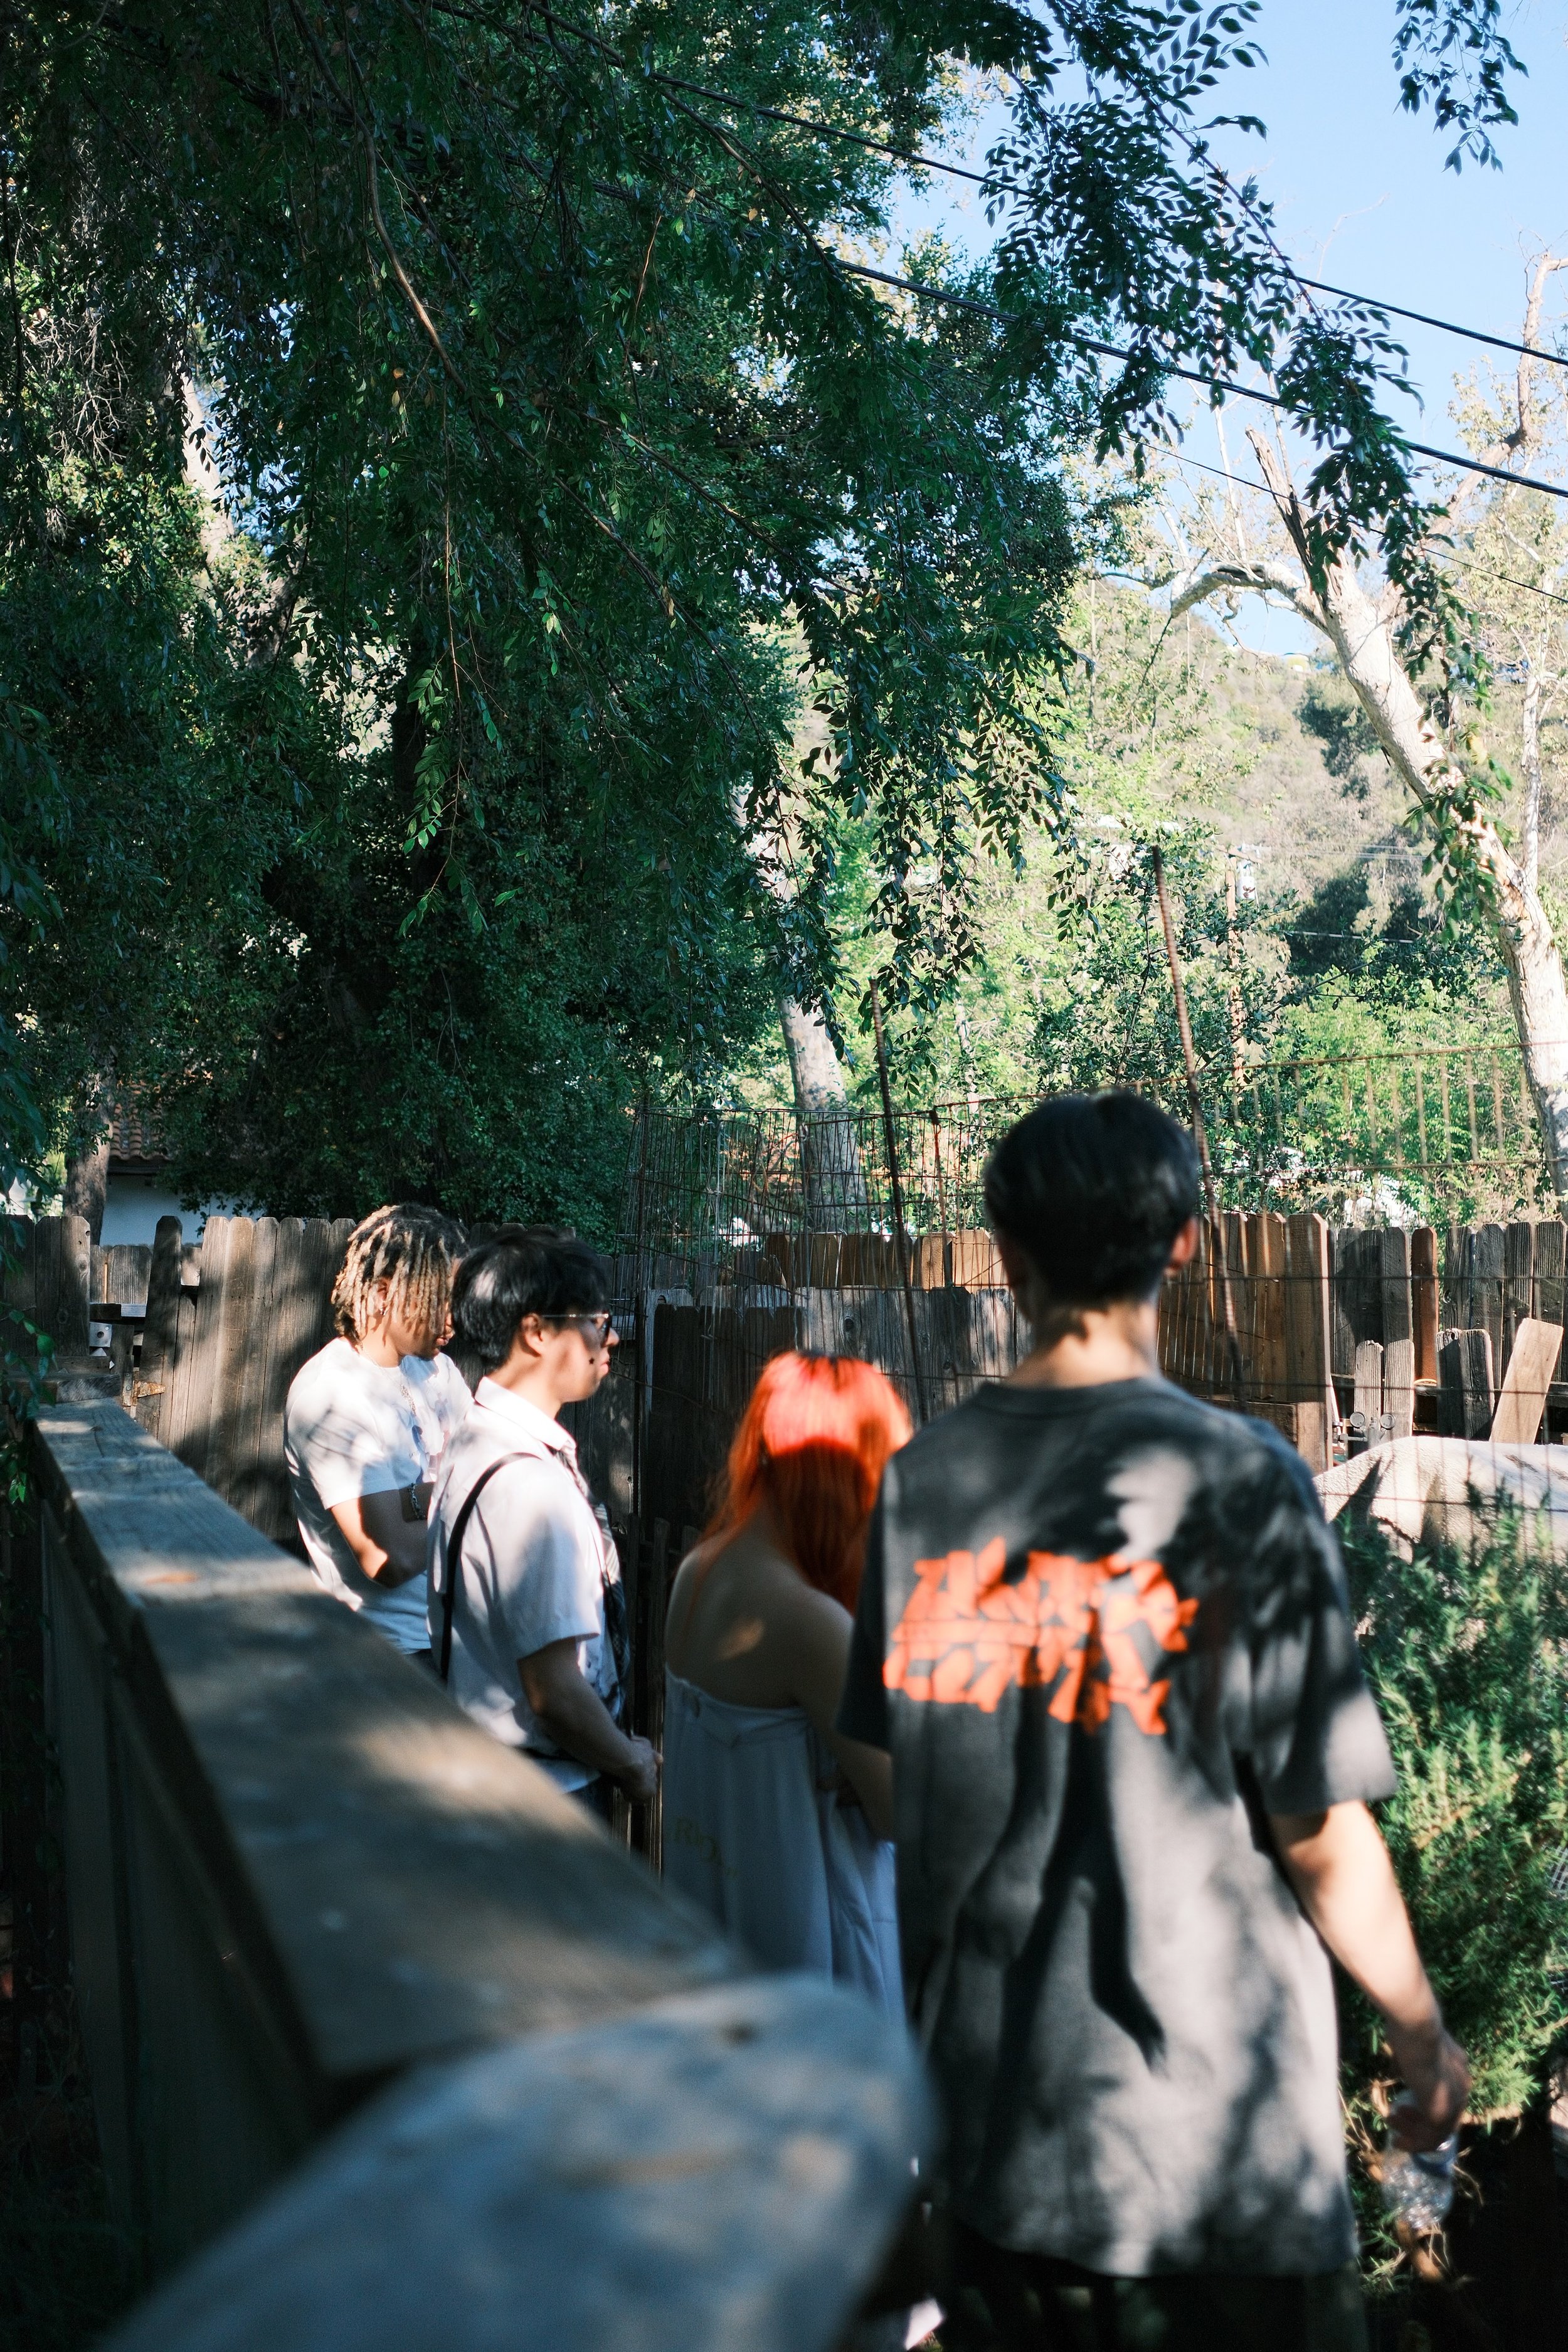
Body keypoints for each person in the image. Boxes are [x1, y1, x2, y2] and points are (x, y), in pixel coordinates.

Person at [837, 1093, 1469, 2352]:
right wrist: (1417, 2030)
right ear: (1185, 1242)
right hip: (1212, 2159)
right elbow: (1315, 1826)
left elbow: (878, 1771)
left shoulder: (920, 1484)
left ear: (1005, 1255)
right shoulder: (1241, 1482)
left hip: (995, 2141)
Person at [662, 1352, 910, 2009]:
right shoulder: (807, 1621)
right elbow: (903, 1811)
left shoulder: (697, 1571)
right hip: (808, 1974)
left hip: (715, 1949)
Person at [428, 1226, 656, 1813]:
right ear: (536, 1332)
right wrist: (630, 1762)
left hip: (486, 1775)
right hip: (547, 1797)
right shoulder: (531, 1487)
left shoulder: (474, 1438)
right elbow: (553, 1690)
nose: (610, 1337)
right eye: (596, 1321)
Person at [285, 1202, 469, 1661]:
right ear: (385, 1293)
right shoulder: (331, 1395)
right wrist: (457, 1494)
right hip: (391, 1656)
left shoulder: (438, 1372)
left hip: (463, 1638)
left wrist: (412, 1500)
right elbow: (390, 1558)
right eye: (440, 1300)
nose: (454, 1318)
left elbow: (488, 1477)